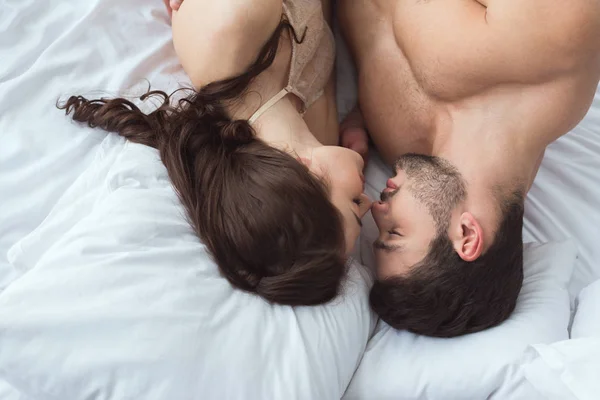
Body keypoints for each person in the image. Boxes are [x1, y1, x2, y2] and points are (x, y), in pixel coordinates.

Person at [58, 0, 371, 306]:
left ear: (306, 173)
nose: (368, 200)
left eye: (354, 204)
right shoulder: (323, 135)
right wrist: (358, 115)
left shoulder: (229, 34)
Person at [338, 0, 600, 337]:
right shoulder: (553, 41)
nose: (377, 210)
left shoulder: (400, 149)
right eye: (395, 233)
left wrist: (361, 110)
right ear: (467, 235)